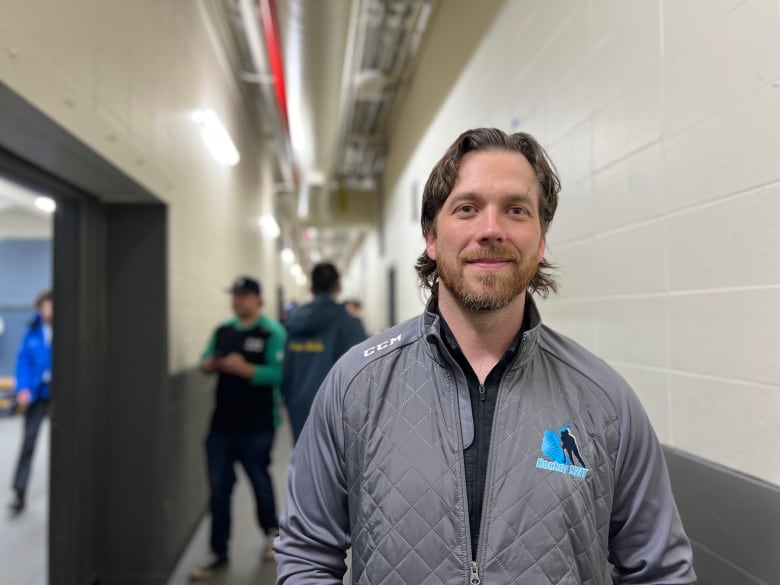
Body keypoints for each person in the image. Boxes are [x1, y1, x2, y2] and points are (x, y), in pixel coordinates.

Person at [276, 128, 696, 584]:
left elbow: (660, 572)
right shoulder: (355, 385)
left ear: (540, 240)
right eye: (467, 208)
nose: (491, 230)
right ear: (432, 238)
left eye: (516, 210)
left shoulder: (605, 402)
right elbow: (306, 556)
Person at [191, 276, 287, 581]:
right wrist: (209, 364)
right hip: (222, 424)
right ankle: (217, 550)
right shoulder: (223, 331)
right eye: (235, 295)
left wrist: (247, 369)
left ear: (258, 300)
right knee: (219, 489)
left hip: (257, 423)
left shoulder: (271, 332)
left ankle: (272, 533)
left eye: (244, 296)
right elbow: (205, 358)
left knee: (259, 479)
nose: (238, 301)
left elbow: (279, 373)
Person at [281, 263, 366, 443]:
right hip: (335, 412)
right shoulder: (348, 324)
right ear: (339, 287)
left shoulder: (293, 322)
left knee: (305, 460)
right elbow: (362, 373)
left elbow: (286, 370)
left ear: (311, 288)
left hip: (298, 406)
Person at [7, 289, 53, 516]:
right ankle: (19, 493)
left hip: (59, 395)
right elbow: (22, 361)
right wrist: (22, 388)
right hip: (37, 395)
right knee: (28, 442)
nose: (47, 310)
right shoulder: (32, 332)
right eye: (43, 306)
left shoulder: (65, 330)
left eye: (50, 306)